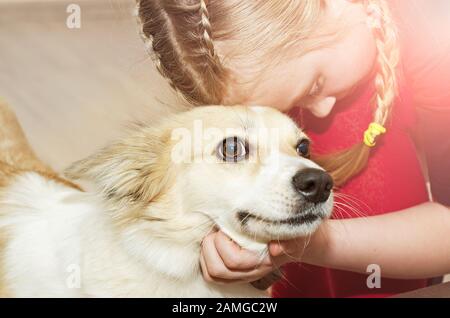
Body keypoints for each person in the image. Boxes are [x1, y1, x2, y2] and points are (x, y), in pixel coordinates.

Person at [136, 0, 450, 297]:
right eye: (290, 106)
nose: (321, 110)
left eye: (315, 84)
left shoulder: (436, 43)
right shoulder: (289, 67)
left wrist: (305, 245)